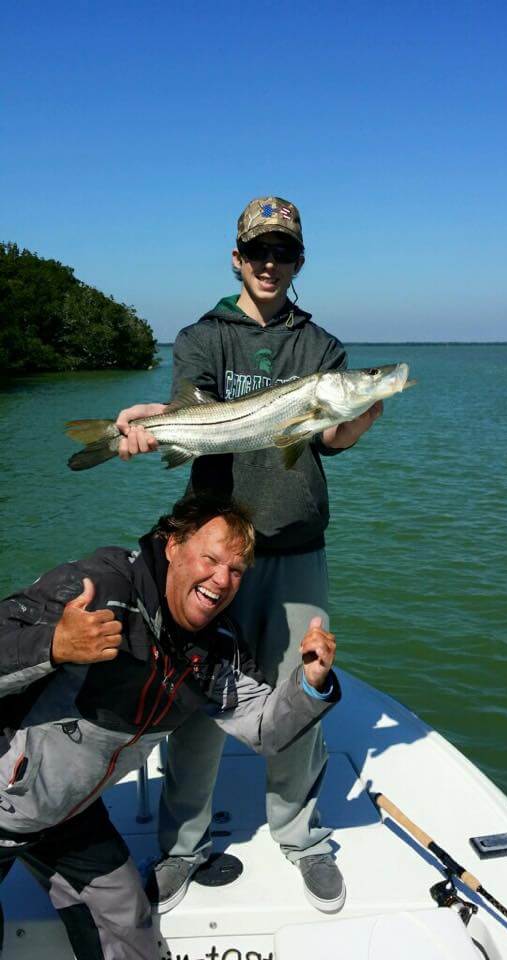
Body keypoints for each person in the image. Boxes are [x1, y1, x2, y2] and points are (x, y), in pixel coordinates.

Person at [115, 196, 382, 914]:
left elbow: (324, 441)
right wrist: (150, 431)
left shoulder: (321, 347)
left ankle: (301, 836)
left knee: (300, 691)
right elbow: (191, 416)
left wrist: (354, 418)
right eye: (258, 250)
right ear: (237, 258)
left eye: (284, 251)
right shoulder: (202, 337)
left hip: (296, 543)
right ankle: (181, 847)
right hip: (213, 553)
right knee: (196, 703)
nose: (270, 263)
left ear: (299, 261)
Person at [0, 493, 340, 960]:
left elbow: (265, 730)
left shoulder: (214, 651)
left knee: (131, 925)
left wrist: (310, 683)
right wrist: (53, 645)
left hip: (69, 815)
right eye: (211, 558)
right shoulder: (98, 590)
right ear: (173, 544)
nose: (221, 580)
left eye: (236, 571)